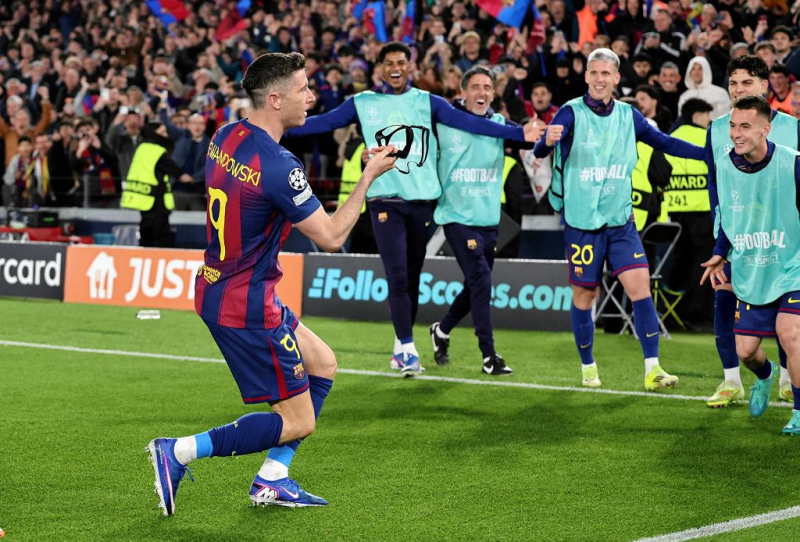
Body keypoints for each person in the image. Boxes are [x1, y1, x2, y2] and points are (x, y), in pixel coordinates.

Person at [147, 52, 397, 515]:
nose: (311, 97)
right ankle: (177, 451)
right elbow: (331, 238)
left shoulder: (225, 135)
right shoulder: (281, 165)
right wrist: (368, 177)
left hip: (223, 285)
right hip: (245, 304)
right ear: (276, 99)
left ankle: (273, 478)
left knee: (323, 363)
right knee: (298, 422)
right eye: (304, 88)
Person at [285, 42, 540, 376]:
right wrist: (277, 121)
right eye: (389, 63)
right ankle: (408, 349)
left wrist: (519, 133)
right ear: (380, 68)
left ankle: (399, 345)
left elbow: (471, 124)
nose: (395, 68)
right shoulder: (363, 102)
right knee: (397, 275)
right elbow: (321, 123)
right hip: (384, 201)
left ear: (410, 66)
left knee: (412, 276)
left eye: (401, 62)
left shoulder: (427, 101)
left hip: (421, 203)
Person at [533, 48, 705, 390]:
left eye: (606, 73)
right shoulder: (570, 112)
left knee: (641, 288)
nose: (599, 79)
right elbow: (541, 150)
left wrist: (706, 155)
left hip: (621, 222)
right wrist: (544, 141)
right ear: (586, 76)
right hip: (582, 223)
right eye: (594, 73)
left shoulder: (629, 115)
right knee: (585, 296)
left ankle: (653, 369)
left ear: (616, 77)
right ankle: (588, 366)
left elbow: (664, 142)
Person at [700, 95, 800, 435]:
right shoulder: (724, 165)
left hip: (791, 266)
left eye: (745, 126)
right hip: (752, 268)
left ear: (765, 129)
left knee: (791, 334)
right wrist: (720, 252)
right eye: (732, 126)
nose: (736, 134)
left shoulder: (792, 164)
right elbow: (728, 218)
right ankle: (766, 374)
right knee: (745, 351)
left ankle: (799, 412)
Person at [429, 66, 532, 376]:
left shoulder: (499, 124)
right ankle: (489, 356)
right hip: (456, 217)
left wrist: (547, 135)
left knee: (476, 284)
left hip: (489, 221)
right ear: (463, 92)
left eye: (487, 87)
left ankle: (441, 330)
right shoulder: (445, 121)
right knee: (482, 282)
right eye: (475, 86)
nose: (482, 92)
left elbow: (528, 140)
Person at [662, 98, 715, 329]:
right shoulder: (706, 138)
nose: (709, 120)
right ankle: (698, 315)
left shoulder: (670, 138)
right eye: (707, 115)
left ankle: (673, 313)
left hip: (675, 210)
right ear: (697, 116)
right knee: (703, 263)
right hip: (701, 211)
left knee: (680, 262)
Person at [120, 122, 186, 247]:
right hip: (156, 200)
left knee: (146, 233)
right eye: (162, 132)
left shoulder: (142, 147)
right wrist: (190, 177)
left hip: (144, 198)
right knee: (159, 236)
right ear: (153, 134)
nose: (166, 135)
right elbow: (176, 171)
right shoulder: (157, 150)